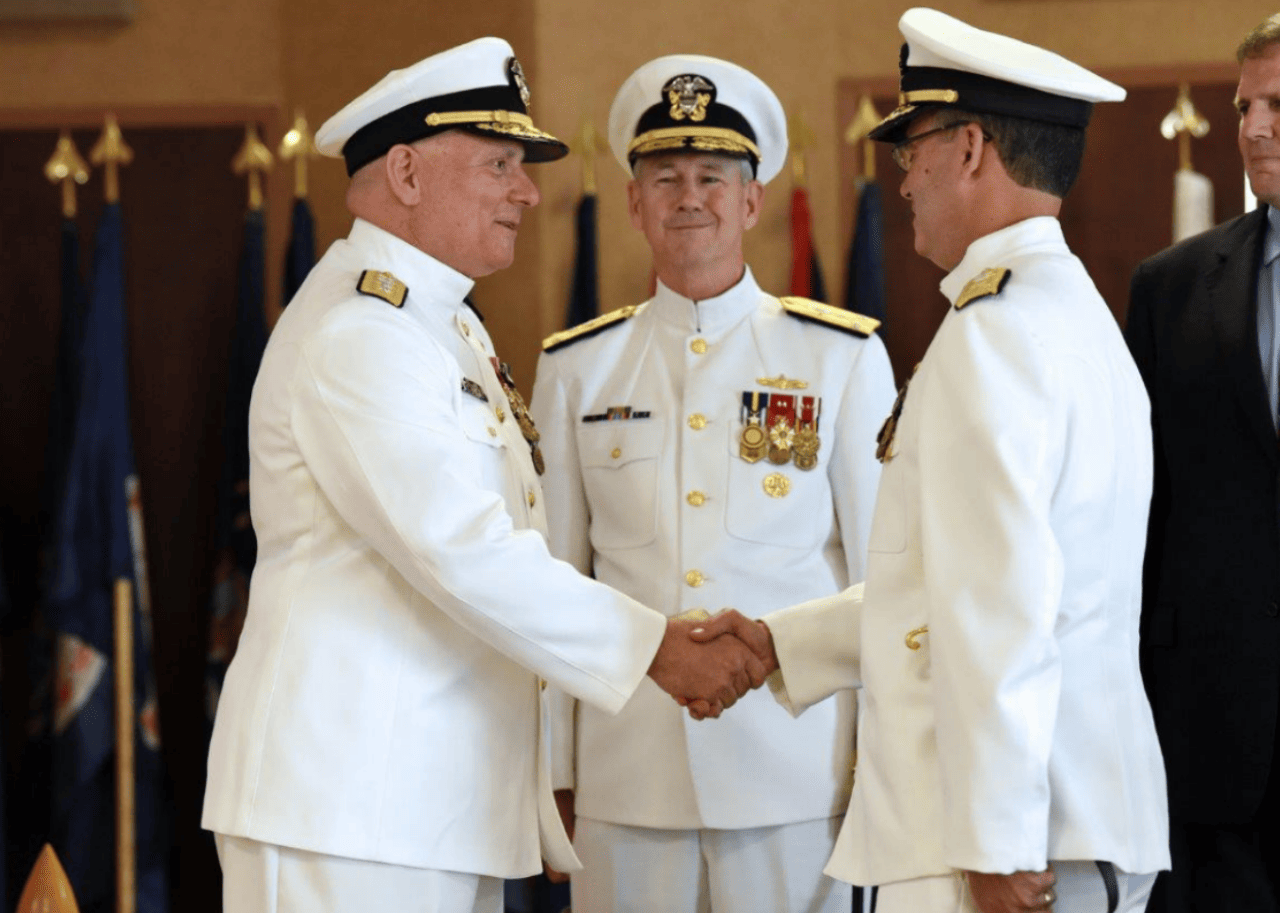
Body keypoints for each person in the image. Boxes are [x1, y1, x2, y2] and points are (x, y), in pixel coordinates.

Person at [200, 37, 769, 913]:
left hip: (421, 806)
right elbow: (462, 551)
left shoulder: (442, 324)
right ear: (406, 173)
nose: (527, 191)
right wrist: (656, 647)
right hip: (350, 812)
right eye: (500, 163)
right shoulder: (363, 335)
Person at [694, 8, 1170, 913]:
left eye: (912, 146)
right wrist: (779, 641)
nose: (902, 177)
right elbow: (957, 586)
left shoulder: (996, 335)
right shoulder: (1067, 317)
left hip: (1003, 839)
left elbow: (1001, 603)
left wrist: (995, 840)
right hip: (1058, 814)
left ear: (972, 148)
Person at [528, 54, 895, 913]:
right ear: (633, 202)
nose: (688, 196)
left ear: (753, 200)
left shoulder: (839, 356)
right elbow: (553, 578)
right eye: (664, 177)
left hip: (797, 777)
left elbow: (886, 575)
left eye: (711, 177)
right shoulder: (578, 368)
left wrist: (885, 771)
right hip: (628, 781)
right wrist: (553, 769)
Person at [1124, 14, 1280, 912]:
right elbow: (1141, 514)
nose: (1254, 126)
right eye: (1243, 106)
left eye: (1277, 104)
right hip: (1212, 738)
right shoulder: (1170, 287)